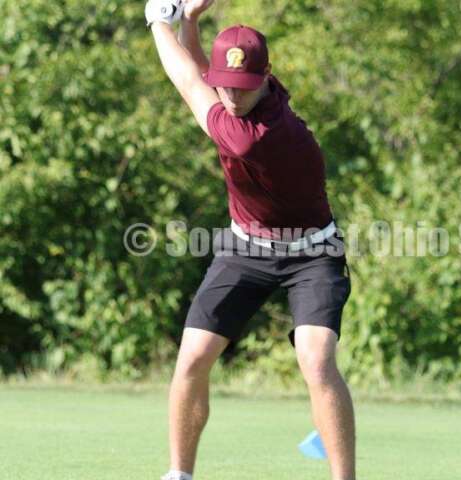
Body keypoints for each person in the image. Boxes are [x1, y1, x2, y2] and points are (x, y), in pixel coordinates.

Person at [145, 1, 356, 479]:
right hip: (247, 247)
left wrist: (159, 18)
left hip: (312, 253)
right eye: (229, 86)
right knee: (193, 356)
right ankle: (179, 474)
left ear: (267, 77)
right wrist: (193, 24)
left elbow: (187, 80)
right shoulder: (241, 94)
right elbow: (206, 74)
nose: (234, 98)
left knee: (316, 360)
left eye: (245, 88)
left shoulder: (256, 137)